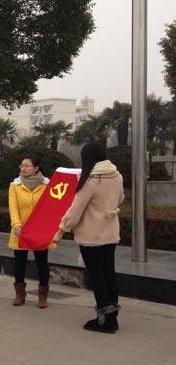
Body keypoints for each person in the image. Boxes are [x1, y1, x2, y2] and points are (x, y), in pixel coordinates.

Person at [53, 142, 124, 334]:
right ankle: (112, 318)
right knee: (109, 273)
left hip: (91, 235)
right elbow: (120, 199)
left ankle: (105, 321)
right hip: (110, 232)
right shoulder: (117, 176)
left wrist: (61, 231)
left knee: (97, 277)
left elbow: (75, 211)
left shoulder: (90, 180)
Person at [8, 155, 54, 308]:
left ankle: (43, 295)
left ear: (36, 168)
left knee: (42, 263)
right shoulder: (15, 185)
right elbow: (13, 207)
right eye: (21, 166)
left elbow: (51, 207)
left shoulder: (47, 185)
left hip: (40, 230)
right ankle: (20, 293)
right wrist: (16, 224)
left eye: (27, 166)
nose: (23, 168)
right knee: (19, 263)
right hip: (20, 230)